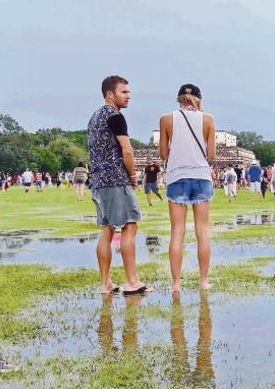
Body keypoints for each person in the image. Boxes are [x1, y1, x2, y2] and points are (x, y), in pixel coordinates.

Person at [87, 74, 146, 295]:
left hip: (98, 180)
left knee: (107, 229)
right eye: (124, 92)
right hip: (115, 179)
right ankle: (132, 281)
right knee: (130, 225)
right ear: (110, 94)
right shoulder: (115, 116)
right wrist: (132, 176)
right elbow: (127, 150)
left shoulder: (95, 116)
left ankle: (106, 283)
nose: (128, 96)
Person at [159, 83, 216, 292]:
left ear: (179, 99)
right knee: (203, 231)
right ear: (199, 99)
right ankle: (203, 280)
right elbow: (211, 155)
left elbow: (163, 154)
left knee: (177, 233)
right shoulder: (208, 119)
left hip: (177, 176)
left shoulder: (166, 119)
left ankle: (176, 283)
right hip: (200, 176)